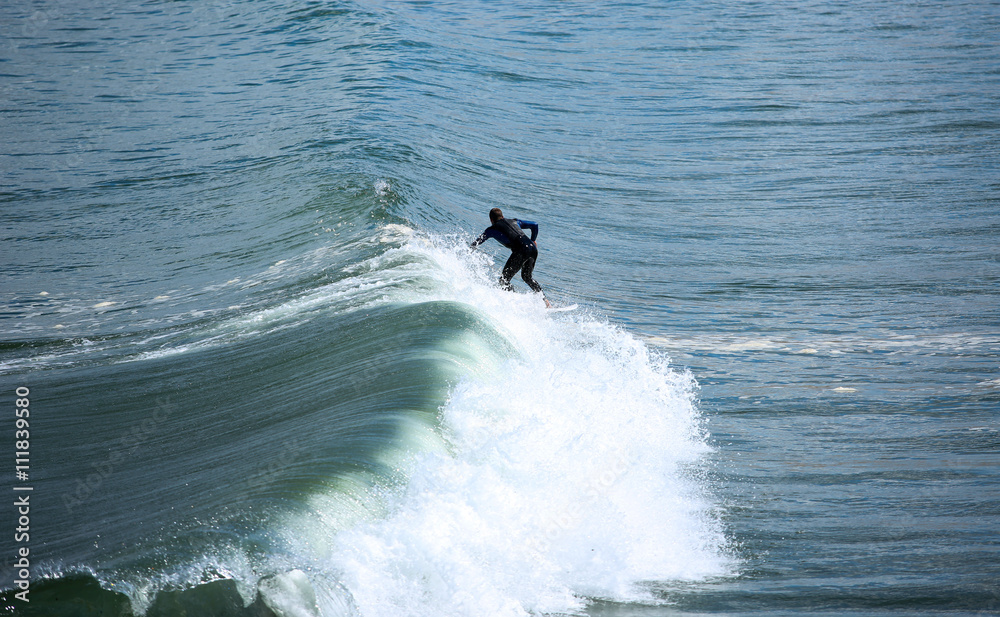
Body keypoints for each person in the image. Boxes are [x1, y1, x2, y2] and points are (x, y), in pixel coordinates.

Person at [470, 207, 551, 307]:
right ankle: (546, 302)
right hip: (533, 249)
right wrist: (533, 240)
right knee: (527, 277)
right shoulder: (515, 221)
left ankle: (514, 301)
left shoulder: (491, 229)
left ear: (491, 220)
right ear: (502, 216)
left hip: (521, 250)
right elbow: (535, 225)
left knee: (503, 280)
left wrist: (469, 249)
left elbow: (476, 243)